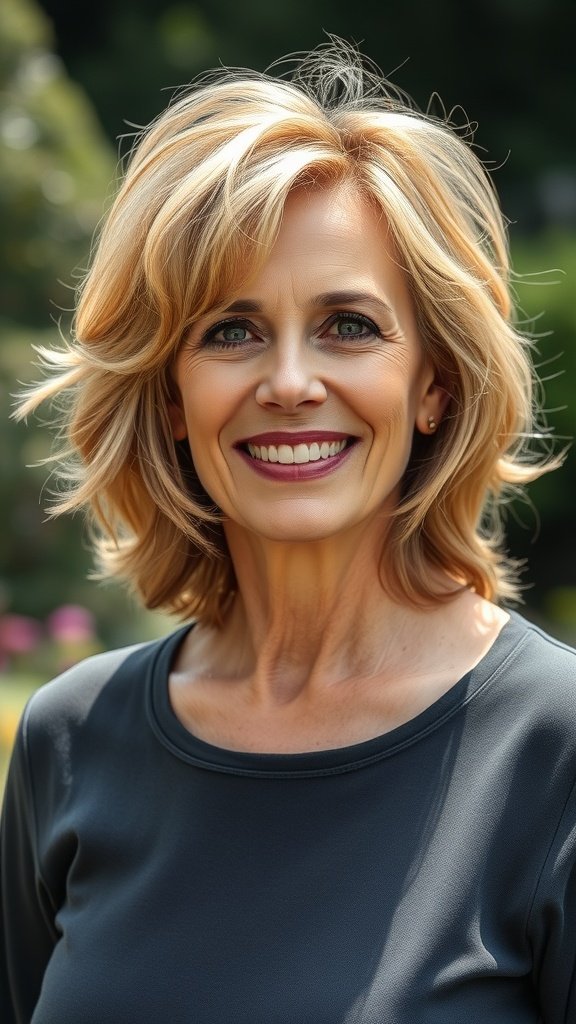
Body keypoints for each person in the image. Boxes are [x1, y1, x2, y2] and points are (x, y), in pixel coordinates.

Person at [1, 36, 575, 1024]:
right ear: (172, 394)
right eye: (232, 330)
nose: (290, 382)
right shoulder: (69, 742)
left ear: (432, 382)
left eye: (348, 324)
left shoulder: (553, 749)